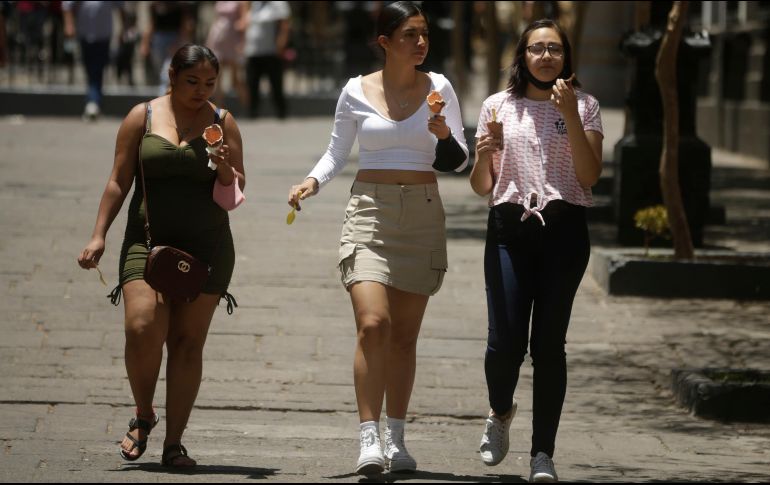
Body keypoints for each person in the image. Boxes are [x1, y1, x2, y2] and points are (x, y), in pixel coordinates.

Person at [288, 1, 468, 475]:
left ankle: (398, 438)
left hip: (423, 215)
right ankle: (369, 438)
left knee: (405, 338)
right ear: (385, 42)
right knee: (373, 324)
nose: (422, 42)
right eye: (410, 34)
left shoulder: (441, 88)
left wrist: (445, 134)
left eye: (425, 33)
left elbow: (460, 159)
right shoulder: (355, 90)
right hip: (369, 212)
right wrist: (311, 182)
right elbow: (336, 151)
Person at [77, 44, 245, 468]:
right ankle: (143, 413)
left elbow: (236, 193)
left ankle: (174, 443)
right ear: (171, 76)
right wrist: (99, 235)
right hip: (146, 241)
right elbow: (119, 180)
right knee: (141, 325)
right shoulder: (142, 117)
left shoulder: (223, 122)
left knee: (187, 344)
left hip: (207, 246)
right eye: (192, 81)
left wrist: (224, 167)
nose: (201, 91)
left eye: (209, 83)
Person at [470, 19, 603, 483]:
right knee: (504, 343)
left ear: (566, 57)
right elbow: (482, 185)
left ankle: (542, 454)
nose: (546, 57)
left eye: (555, 49)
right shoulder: (497, 106)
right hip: (510, 229)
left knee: (549, 346)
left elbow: (589, 177)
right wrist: (484, 153)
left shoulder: (585, 107)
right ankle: (501, 410)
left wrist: (568, 115)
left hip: (565, 234)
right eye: (537, 49)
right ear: (522, 56)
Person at [62, 1, 125, 120]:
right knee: (90, 69)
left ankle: (93, 101)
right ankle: (94, 100)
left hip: (103, 37)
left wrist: (123, 28)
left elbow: (120, 7)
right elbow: (67, 6)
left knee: (98, 69)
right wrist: (69, 25)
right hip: (85, 36)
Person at [244, 1, 291, 118]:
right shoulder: (255, 4)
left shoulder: (279, 4)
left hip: (271, 52)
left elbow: (284, 25)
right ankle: (253, 112)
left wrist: (281, 44)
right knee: (252, 83)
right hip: (253, 51)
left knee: (276, 84)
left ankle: (281, 112)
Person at [205, 1, 250, 109]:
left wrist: (242, 41)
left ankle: (248, 107)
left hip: (232, 39)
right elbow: (216, 19)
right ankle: (219, 110)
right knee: (217, 76)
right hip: (218, 37)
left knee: (235, 78)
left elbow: (244, 20)